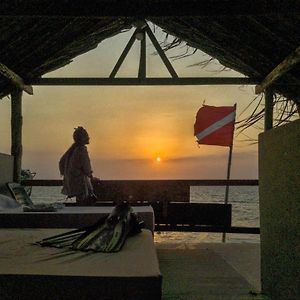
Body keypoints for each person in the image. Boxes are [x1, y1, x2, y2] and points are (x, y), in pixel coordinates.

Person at [59, 126, 97, 204]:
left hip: (71, 183)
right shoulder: (81, 150)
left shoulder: (72, 150)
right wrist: (91, 177)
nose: (89, 137)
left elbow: (61, 163)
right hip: (80, 185)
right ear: (83, 138)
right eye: (87, 136)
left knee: (79, 203)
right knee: (84, 203)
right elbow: (87, 168)